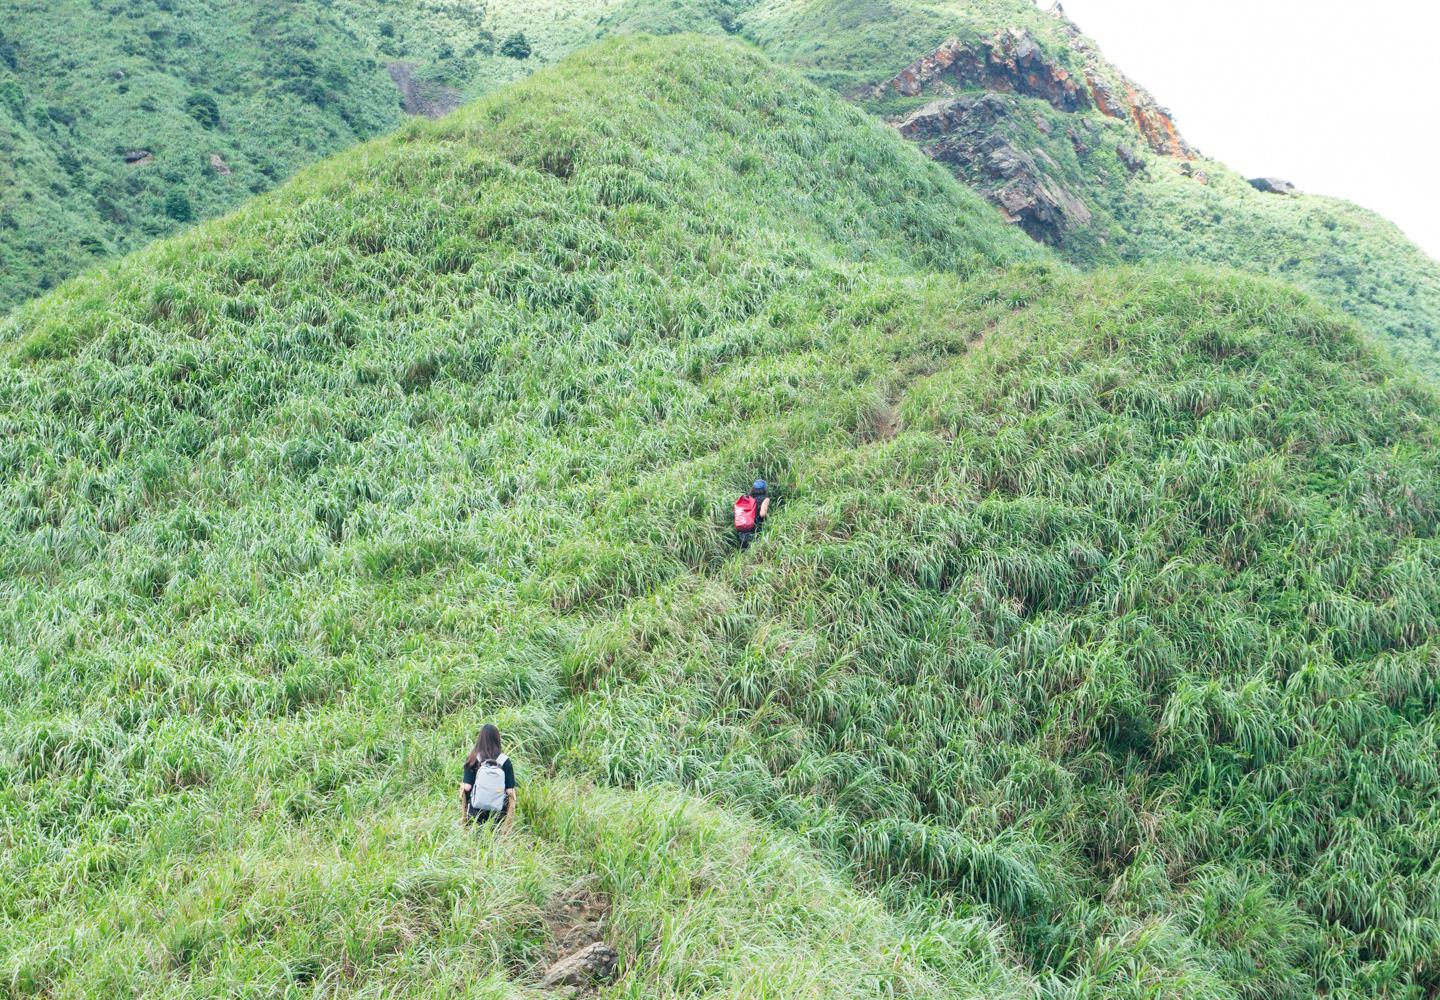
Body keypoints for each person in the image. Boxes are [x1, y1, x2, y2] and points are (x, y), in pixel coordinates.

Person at [460, 724, 516, 829]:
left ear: (480, 739)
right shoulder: (505, 761)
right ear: (497, 739)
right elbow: (510, 791)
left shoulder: (473, 758)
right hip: (498, 813)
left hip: (475, 811)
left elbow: (467, 787)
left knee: (474, 839)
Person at [734, 479, 771, 550]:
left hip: (743, 525)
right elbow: (762, 514)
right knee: (754, 548)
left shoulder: (747, 497)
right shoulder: (765, 499)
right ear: (764, 489)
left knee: (743, 549)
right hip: (756, 526)